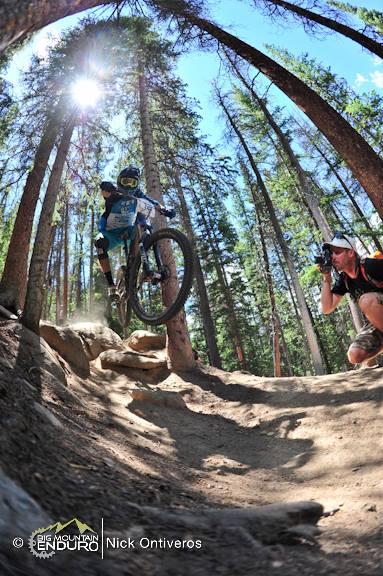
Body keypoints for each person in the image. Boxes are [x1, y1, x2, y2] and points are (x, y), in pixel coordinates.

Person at [94, 166, 175, 302]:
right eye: (125, 181)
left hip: (131, 230)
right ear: (119, 181)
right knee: (99, 243)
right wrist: (105, 187)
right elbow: (105, 192)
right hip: (112, 232)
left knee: (145, 227)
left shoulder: (138, 194)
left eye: (133, 183)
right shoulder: (113, 192)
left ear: (137, 184)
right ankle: (111, 286)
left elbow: (153, 203)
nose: (129, 186)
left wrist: (165, 210)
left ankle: (145, 265)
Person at [319, 231, 383, 366]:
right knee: (354, 355)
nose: (333, 257)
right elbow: (326, 308)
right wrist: (326, 277)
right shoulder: (344, 280)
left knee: (366, 300)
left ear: (351, 253)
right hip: (378, 321)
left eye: (337, 252)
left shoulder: (370, 266)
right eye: (331, 254)